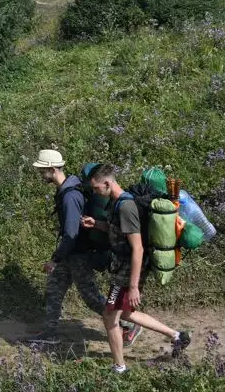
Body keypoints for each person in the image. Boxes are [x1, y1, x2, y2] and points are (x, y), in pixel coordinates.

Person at [83, 164, 191, 373]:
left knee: (109, 316)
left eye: (96, 188)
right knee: (125, 313)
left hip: (126, 272)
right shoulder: (116, 203)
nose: (95, 192)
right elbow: (119, 231)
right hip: (122, 268)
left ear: (108, 183)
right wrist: (96, 223)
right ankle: (177, 336)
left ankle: (119, 367)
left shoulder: (126, 207)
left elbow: (138, 248)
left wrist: (133, 287)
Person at [28, 150, 141, 346]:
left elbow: (71, 234)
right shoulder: (67, 190)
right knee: (54, 289)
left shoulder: (70, 196)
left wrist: (55, 258)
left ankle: (127, 325)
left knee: (91, 297)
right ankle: (49, 332)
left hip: (77, 254)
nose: (40, 175)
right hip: (70, 254)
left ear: (52, 169)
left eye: (42, 171)